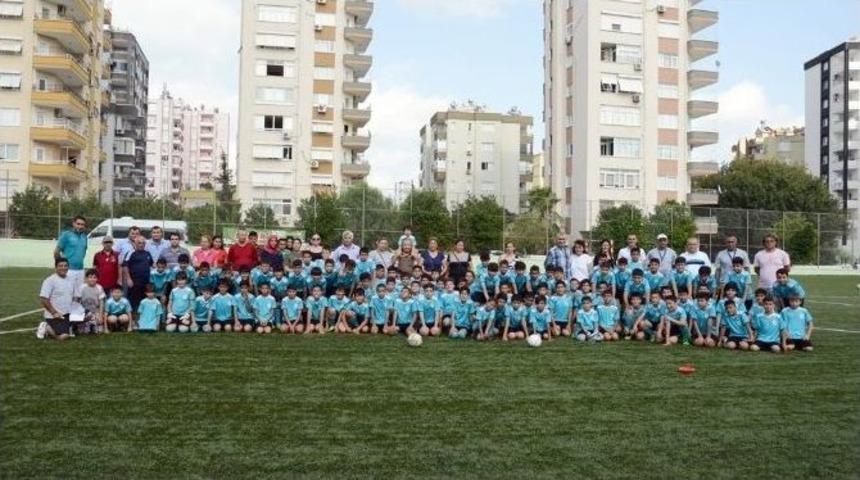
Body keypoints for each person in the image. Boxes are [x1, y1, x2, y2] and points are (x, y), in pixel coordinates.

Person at [36, 259, 76, 341]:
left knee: (88, 315)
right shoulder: (50, 280)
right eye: (60, 266)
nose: (63, 268)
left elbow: (73, 297)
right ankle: (46, 326)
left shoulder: (71, 280)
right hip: (54, 316)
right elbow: (43, 299)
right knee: (64, 336)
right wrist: (54, 312)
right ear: (56, 267)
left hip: (67, 314)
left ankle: (69, 326)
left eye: (65, 266)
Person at [122, 236, 154, 320]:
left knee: (144, 301)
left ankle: (142, 320)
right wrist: (128, 279)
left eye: (143, 243)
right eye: (139, 243)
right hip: (134, 282)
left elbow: (152, 265)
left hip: (145, 283)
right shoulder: (131, 252)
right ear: (135, 243)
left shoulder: (148, 253)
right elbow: (125, 266)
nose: (141, 244)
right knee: (132, 302)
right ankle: (131, 320)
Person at [54, 215, 88, 286]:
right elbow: (56, 251)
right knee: (67, 293)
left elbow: (83, 253)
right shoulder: (66, 235)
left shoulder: (84, 237)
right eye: (78, 224)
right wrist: (60, 266)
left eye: (82, 225)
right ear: (73, 224)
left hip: (80, 270)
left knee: (79, 294)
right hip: (68, 270)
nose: (80, 226)